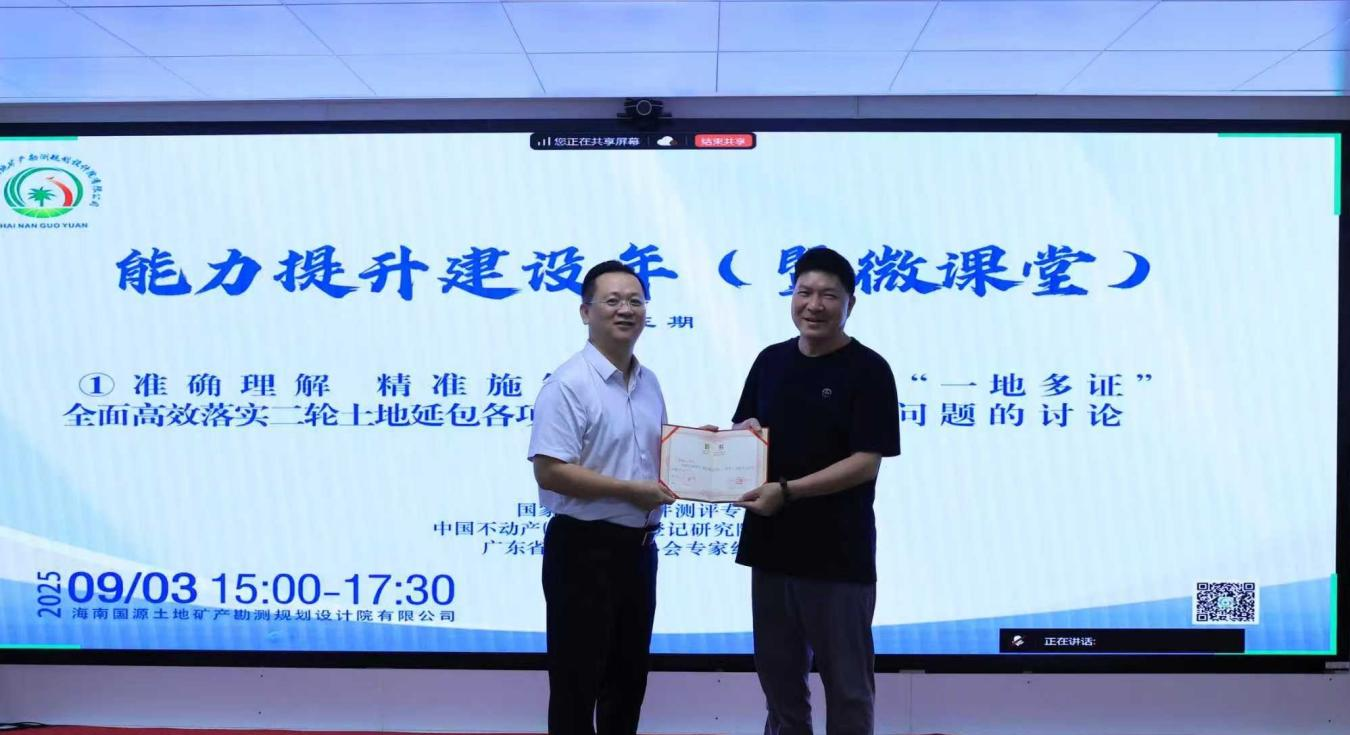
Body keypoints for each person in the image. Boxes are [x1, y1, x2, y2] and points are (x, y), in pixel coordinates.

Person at [731, 247, 901, 735]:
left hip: (838, 557)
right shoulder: (770, 360)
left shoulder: (869, 370)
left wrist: (788, 491)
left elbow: (865, 463)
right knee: (780, 687)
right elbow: (746, 429)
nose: (814, 305)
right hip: (771, 550)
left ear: (850, 303)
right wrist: (732, 442)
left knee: (848, 689)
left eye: (828, 295)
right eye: (804, 292)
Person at [527, 260, 678, 735]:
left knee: (627, 685)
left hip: (639, 551)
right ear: (585, 312)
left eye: (636, 301)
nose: (626, 310)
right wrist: (631, 491)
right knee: (577, 686)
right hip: (584, 550)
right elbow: (550, 471)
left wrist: (705, 451)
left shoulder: (649, 382)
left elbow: (653, 457)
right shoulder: (568, 384)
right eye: (612, 301)